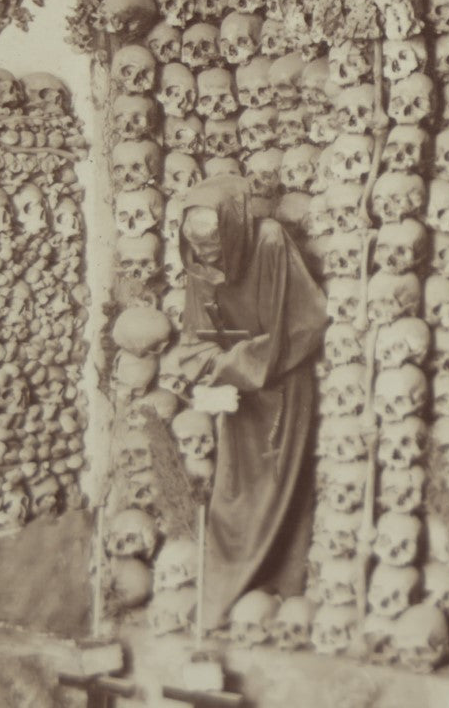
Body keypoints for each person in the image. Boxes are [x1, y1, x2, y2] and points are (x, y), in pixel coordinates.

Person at [172, 176, 327, 628]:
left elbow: (299, 326)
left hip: (282, 388)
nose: (205, 257)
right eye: (196, 247)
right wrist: (211, 378)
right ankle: (230, 593)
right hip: (236, 395)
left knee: (277, 491)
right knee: (233, 493)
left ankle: (268, 595)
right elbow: (195, 339)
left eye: (213, 247)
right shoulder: (198, 263)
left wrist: (229, 367)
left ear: (233, 230)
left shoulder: (270, 243)